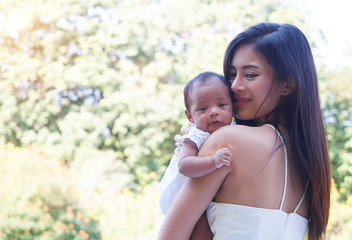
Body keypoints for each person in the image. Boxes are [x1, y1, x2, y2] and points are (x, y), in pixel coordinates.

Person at [158, 23, 331, 240]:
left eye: (249, 74)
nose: (234, 86)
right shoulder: (311, 165)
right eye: (231, 75)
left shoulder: (229, 141)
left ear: (287, 84)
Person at [159, 71, 234, 215]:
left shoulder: (235, 129)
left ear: (233, 107)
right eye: (203, 109)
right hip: (180, 195)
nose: (213, 112)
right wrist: (213, 161)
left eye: (221, 105)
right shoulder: (196, 135)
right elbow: (184, 165)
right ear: (190, 117)